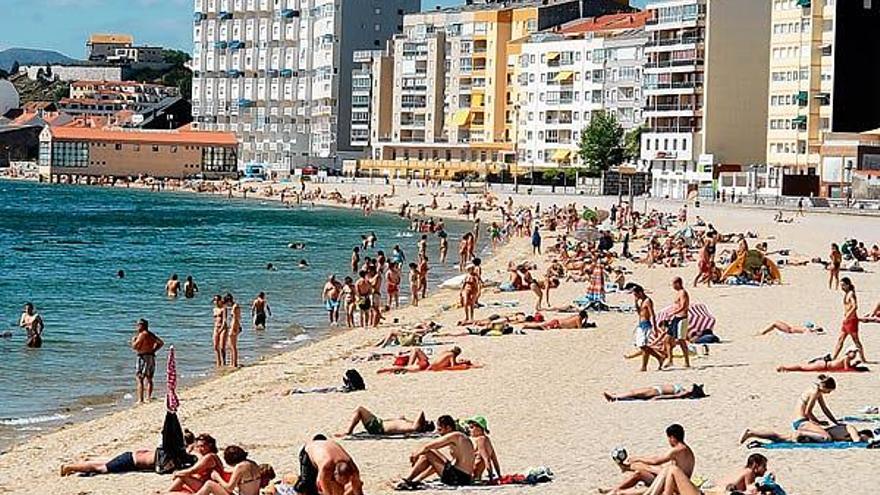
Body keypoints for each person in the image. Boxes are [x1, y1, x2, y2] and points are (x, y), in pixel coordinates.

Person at [739, 375, 859, 444]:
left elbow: (825, 409)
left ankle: (752, 433)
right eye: (830, 391)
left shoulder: (817, 391)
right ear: (826, 387)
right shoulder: (815, 392)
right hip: (801, 422)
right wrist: (817, 422)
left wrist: (835, 422)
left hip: (802, 421)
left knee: (782, 436)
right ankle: (752, 433)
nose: (829, 393)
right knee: (827, 437)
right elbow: (808, 412)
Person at [600, 424, 695, 495]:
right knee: (641, 472)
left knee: (648, 471)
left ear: (672, 438)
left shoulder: (677, 450)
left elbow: (656, 461)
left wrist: (637, 458)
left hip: (677, 486)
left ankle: (619, 490)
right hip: (674, 481)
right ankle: (615, 489)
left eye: (668, 438)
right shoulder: (686, 449)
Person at [396, 415, 475, 489]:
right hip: (464, 477)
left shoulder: (455, 436)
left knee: (428, 452)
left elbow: (427, 447)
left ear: (448, 428)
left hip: (458, 478)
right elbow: (437, 465)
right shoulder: (460, 437)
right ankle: (412, 480)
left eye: (440, 429)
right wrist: (420, 479)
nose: (439, 432)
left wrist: (415, 455)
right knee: (433, 454)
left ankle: (407, 479)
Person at [295, 437, 364, 495]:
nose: (342, 485)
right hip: (309, 451)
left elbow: (358, 491)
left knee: (341, 489)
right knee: (307, 487)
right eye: (340, 482)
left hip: (327, 446)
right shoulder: (326, 467)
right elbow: (322, 488)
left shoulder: (353, 469)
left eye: (345, 482)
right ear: (335, 473)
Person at [197, 446, 274, 495]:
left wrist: (217, 477)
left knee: (209, 484)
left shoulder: (240, 467)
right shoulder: (253, 464)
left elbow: (229, 488)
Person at [831, 277, 868, 363]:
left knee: (856, 340)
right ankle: (834, 357)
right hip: (847, 321)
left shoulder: (851, 294)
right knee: (841, 339)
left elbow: (855, 306)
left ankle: (863, 359)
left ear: (848, 285)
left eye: (843, 285)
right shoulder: (847, 293)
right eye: (841, 285)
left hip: (851, 321)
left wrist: (848, 315)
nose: (842, 287)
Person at [629, 285, 663, 372]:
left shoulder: (648, 301)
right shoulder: (642, 301)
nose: (635, 296)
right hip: (641, 324)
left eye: (636, 294)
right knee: (643, 345)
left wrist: (655, 328)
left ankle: (646, 364)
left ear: (640, 292)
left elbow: (652, 314)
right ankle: (658, 358)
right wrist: (636, 303)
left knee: (643, 345)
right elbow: (639, 313)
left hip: (647, 324)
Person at [336, 407, 435, 437]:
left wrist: (422, 422)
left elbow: (421, 412)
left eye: (426, 422)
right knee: (360, 410)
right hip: (379, 425)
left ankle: (348, 431)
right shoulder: (411, 425)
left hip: (378, 428)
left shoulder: (415, 427)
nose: (425, 421)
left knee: (360, 410)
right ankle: (348, 431)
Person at [131, 319, 164, 404]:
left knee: (140, 378)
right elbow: (160, 342)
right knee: (149, 378)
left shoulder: (142, 334)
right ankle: (148, 398)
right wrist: (154, 350)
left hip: (143, 357)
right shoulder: (150, 334)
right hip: (150, 356)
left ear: (142, 325)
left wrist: (133, 340)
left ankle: (140, 399)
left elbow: (135, 347)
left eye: (138, 325)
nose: (136, 327)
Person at [377, 346, 473, 374]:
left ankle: (389, 369)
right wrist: (463, 366)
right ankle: (385, 369)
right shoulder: (452, 356)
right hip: (426, 366)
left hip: (427, 362)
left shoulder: (446, 352)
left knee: (416, 349)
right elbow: (452, 366)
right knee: (406, 369)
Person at [664, 277, 690, 369]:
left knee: (681, 340)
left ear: (678, 283)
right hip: (675, 318)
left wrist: (673, 312)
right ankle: (670, 360)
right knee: (667, 339)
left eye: (674, 284)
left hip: (682, 318)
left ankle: (687, 361)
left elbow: (684, 306)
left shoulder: (683, 293)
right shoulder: (678, 293)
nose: (673, 286)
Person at [467, 416, 501, 482]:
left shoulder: (480, 440)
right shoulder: (487, 439)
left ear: (480, 428)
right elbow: (494, 459)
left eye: (471, 427)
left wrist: (491, 478)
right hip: (477, 476)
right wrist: (499, 475)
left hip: (473, 476)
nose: (469, 430)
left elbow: (486, 459)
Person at [777, 349, 867, 372]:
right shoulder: (846, 358)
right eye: (853, 353)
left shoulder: (846, 359)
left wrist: (854, 365)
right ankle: (785, 367)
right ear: (849, 353)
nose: (855, 355)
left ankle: (786, 368)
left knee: (803, 367)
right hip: (823, 365)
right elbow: (847, 369)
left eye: (855, 353)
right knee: (803, 367)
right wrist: (855, 367)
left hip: (824, 364)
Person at [603, 384, 706, 402]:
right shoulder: (684, 391)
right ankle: (617, 396)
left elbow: (673, 396)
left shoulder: (684, 393)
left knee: (634, 393)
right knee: (634, 393)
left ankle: (615, 397)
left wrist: (659, 398)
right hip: (656, 389)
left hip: (657, 392)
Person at [521, 310, 590, 331]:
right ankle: (527, 326)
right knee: (541, 326)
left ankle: (527, 326)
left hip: (557, 322)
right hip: (557, 324)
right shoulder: (578, 319)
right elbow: (580, 327)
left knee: (542, 325)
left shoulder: (575, 316)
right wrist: (586, 321)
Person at [224, 293, 243, 367]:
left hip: (234, 326)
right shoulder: (235, 306)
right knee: (231, 345)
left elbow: (236, 318)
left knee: (232, 346)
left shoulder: (235, 307)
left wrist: (234, 328)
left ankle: (234, 363)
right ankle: (232, 362)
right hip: (234, 326)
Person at [212, 295, 228, 366]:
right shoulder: (214, 309)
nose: (215, 302)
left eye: (217, 300)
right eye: (215, 300)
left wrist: (221, 329)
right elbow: (215, 320)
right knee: (215, 346)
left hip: (223, 328)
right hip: (216, 328)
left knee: (222, 347)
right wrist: (216, 330)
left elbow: (224, 320)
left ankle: (224, 362)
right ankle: (218, 362)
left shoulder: (224, 309)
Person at [758, 320, 824, 335]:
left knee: (775, 323)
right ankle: (764, 332)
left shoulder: (807, 330)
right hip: (789, 327)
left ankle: (763, 332)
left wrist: (815, 330)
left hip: (789, 330)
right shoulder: (808, 329)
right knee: (776, 323)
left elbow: (810, 333)